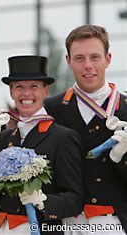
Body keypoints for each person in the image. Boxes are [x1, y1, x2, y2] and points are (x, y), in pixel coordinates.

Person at [0, 55, 85, 234]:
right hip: (4, 229)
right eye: (19, 87)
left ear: (45, 90)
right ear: (11, 92)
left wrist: (43, 201)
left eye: (34, 86)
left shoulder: (63, 137)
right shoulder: (3, 137)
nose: (26, 94)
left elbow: (75, 199)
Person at [44, 24, 127, 234]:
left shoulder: (125, 107)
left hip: (113, 222)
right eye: (79, 58)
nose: (87, 65)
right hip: (64, 223)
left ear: (108, 59)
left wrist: (122, 158)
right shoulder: (51, 108)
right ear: (68, 61)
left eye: (95, 57)